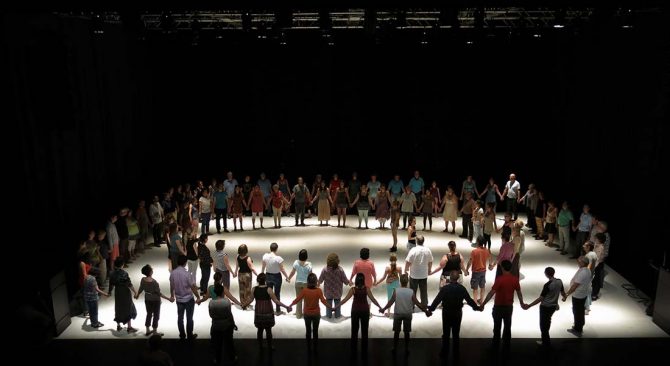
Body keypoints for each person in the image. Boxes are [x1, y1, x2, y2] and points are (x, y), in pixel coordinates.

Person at [427, 270, 481, 359]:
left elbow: (437, 300)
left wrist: (430, 310)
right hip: (457, 313)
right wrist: (476, 308)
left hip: (447, 313)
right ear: (458, 278)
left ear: (450, 278)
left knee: (446, 333)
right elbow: (469, 300)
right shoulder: (462, 289)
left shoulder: (445, 289)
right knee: (456, 334)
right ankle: (456, 353)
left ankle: (444, 352)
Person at [379, 273, 429, 355]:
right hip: (407, 314)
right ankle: (406, 348)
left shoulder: (396, 291)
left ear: (400, 282)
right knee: (407, 332)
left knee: (396, 332)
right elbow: (417, 303)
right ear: (408, 282)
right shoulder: (411, 291)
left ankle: (395, 348)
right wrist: (426, 310)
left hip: (398, 313)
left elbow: (390, 302)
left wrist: (383, 309)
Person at [241, 273, 292, 353]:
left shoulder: (254, 289)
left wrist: (244, 305)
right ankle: (269, 346)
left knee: (260, 330)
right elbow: (276, 301)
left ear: (258, 280)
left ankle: (260, 346)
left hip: (259, 312)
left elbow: (250, 300)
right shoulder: (269, 289)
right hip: (268, 312)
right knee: (268, 331)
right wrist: (286, 307)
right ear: (265, 280)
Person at [481, 260, 525, 351]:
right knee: (507, 327)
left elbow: (491, 293)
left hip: (498, 307)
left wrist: (483, 304)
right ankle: (507, 347)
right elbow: (519, 293)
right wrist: (522, 303)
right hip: (509, 307)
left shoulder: (499, 279)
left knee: (497, 327)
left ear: (502, 268)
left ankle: (495, 346)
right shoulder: (515, 279)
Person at [338, 273, 382, 356]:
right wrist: (380, 307)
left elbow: (345, 300)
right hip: (365, 311)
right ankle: (364, 351)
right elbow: (373, 299)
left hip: (355, 311)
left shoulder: (353, 290)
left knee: (354, 331)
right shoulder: (367, 289)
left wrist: (336, 306)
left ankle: (353, 350)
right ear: (363, 280)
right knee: (364, 331)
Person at [521, 267, 566, 348]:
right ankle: (545, 341)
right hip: (553, 306)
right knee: (547, 322)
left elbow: (541, 298)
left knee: (543, 326)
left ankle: (546, 343)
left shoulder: (547, 285)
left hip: (545, 307)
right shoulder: (559, 281)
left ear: (546, 274)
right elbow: (563, 292)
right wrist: (564, 298)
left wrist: (529, 305)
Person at [290, 273, 332, 352]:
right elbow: (323, 301)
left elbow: (297, 299)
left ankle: (308, 347)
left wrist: (290, 305)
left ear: (308, 282)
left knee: (308, 331)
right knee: (315, 332)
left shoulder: (304, 291)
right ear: (316, 281)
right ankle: (315, 347)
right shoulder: (318, 291)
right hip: (316, 314)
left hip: (307, 314)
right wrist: (331, 307)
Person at [169, 254, 201, 340]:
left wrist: (172, 296)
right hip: (188, 299)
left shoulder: (173, 273)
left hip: (179, 299)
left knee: (180, 318)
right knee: (189, 318)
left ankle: (182, 335)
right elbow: (193, 287)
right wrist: (198, 297)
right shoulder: (187, 274)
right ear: (185, 263)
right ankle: (190, 335)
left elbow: (172, 286)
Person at [136, 265, 173, 336]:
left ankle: (147, 330)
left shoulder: (143, 279)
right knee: (156, 315)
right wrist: (169, 299)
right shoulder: (154, 282)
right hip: (155, 300)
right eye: (151, 269)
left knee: (149, 314)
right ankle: (155, 331)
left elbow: (141, 288)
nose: (152, 270)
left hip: (147, 299)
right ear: (150, 272)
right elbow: (159, 294)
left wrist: (138, 294)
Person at [209, 283, 238, 365]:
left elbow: (211, 315)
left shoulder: (211, 303)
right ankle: (232, 358)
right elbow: (229, 314)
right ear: (223, 292)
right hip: (227, 324)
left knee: (218, 343)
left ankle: (217, 359)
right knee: (229, 342)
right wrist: (233, 323)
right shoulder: (227, 302)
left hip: (216, 325)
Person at [562, 256, 591, 337]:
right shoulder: (587, 270)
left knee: (577, 312)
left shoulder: (583, 273)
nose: (577, 262)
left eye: (579, 261)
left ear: (583, 263)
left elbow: (575, 286)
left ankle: (577, 329)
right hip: (582, 294)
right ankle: (579, 325)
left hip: (578, 295)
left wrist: (567, 294)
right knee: (580, 311)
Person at [318, 253, 351, 319]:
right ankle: (337, 315)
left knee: (328, 304)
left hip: (328, 292)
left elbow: (320, 280)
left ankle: (329, 315)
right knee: (338, 303)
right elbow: (345, 281)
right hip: (337, 292)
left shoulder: (325, 270)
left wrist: (317, 284)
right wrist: (349, 282)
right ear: (337, 261)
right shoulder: (340, 270)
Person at [109, 257, 138, 333]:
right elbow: (129, 284)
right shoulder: (124, 273)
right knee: (128, 308)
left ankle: (118, 326)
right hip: (125, 292)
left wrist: (109, 292)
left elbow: (111, 284)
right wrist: (135, 292)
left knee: (118, 307)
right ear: (122, 265)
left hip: (117, 292)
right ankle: (129, 327)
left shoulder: (112, 273)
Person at [261, 242, 290, 314]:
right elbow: (282, 269)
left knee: (268, 293)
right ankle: (277, 310)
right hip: (277, 277)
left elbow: (263, 266)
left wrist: (262, 273)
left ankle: (268, 308)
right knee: (277, 293)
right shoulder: (278, 258)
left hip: (268, 276)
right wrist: (287, 277)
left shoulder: (265, 256)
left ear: (270, 248)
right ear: (276, 249)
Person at [405, 235, 432, 307]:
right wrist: (429, 270)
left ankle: (412, 304)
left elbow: (408, 261)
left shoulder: (413, 250)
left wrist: (406, 270)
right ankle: (424, 304)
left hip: (414, 274)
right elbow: (430, 261)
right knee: (423, 290)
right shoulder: (427, 250)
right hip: (423, 274)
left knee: (413, 291)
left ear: (416, 241)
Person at [287, 249, 312, 319]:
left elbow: (293, 272)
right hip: (306, 284)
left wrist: (288, 278)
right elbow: (310, 275)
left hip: (298, 283)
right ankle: (306, 313)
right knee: (307, 299)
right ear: (306, 256)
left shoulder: (296, 263)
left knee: (298, 299)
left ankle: (298, 314)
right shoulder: (309, 265)